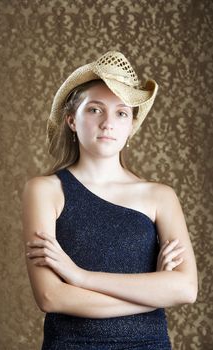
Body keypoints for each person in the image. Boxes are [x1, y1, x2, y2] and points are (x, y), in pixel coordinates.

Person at [22, 51, 198, 350]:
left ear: (131, 125)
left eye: (121, 112)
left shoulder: (160, 196)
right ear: (71, 121)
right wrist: (152, 294)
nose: (108, 123)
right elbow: (51, 297)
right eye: (94, 110)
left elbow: (185, 289)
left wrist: (80, 276)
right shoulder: (44, 190)